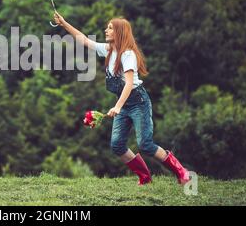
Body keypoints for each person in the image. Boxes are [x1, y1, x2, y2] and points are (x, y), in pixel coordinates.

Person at [53, 11, 190, 185]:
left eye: (110, 28)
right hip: (124, 103)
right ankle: (145, 178)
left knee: (146, 144)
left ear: (119, 32)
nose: (106, 30)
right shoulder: (108, 50)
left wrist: (117, 107)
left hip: (138, 102)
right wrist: (64, 23)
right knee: (117, 145)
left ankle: (181, 172)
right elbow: (84, 40)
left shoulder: (127, 54)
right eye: (107, 27)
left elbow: (129, 83)